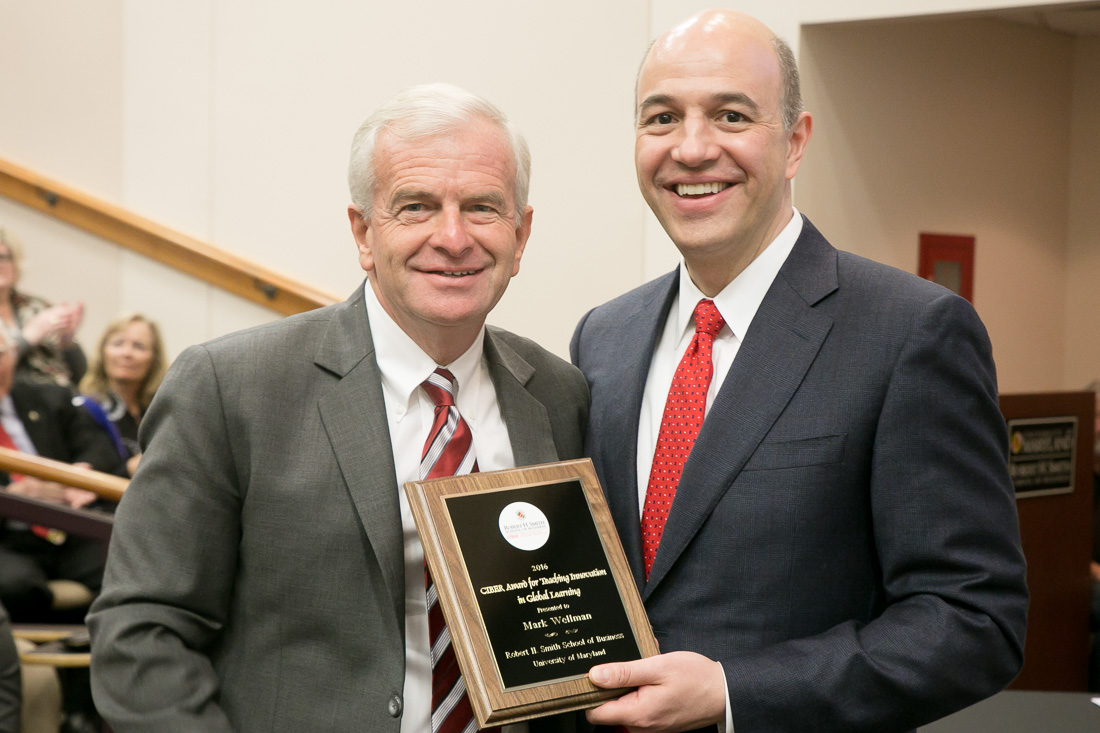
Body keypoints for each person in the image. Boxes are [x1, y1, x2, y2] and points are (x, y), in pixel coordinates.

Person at [570, 9, 1028, 732]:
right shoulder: (604, 336)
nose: (691, 148)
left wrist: (734, 691)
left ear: (795, 141)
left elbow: (974, 620)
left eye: (730, 115)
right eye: (662, 118)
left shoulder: (912, 332)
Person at [87, 84, 588, 732]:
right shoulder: (231, 387)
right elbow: (140, 633)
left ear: (520, 235)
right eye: (416, 206)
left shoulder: (558, 393)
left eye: (483, 207)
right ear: (362, 231)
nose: (453, 236)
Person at [0, 326, 125, 622]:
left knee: (134, 565)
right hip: (8, 540)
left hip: (67, 529)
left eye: (0, 353)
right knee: (13, 585)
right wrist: (12, 496)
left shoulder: (48, 396)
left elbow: (98, 447)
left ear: (14, 355)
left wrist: (77, 477)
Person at [78, 313, 168, 475]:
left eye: (139, 346)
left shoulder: (159, 412)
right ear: (103, 351)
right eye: (118, 344)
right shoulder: (85, 409)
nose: (127, 353)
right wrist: (135, 467)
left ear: (154, 359)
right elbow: (89, 478)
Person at [0, 228, 86, 391]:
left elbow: (80, 375)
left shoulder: (36, 307)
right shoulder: (39, 321)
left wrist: (67, 342)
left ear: (16, 263)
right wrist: (27, 338)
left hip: (57, 400)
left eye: (3, 257)